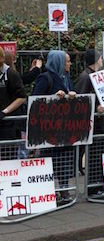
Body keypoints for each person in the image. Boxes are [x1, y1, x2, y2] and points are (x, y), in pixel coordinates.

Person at [32, 50, 78, 204]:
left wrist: (72, 95)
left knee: (65, 160)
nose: (69, 64)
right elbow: (35, 100)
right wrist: (52, 98)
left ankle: (63, 190)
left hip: (65, 128)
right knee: (50, 160)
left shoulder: (66, 78)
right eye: (67, 61)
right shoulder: (45, 78)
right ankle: (49, 192)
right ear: (58, 62)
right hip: (50, 129)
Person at [0, 47, 26, 141]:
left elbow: (22, 97)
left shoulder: (11, 74)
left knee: (6, 153)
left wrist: (5, 111)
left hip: (7, 124)